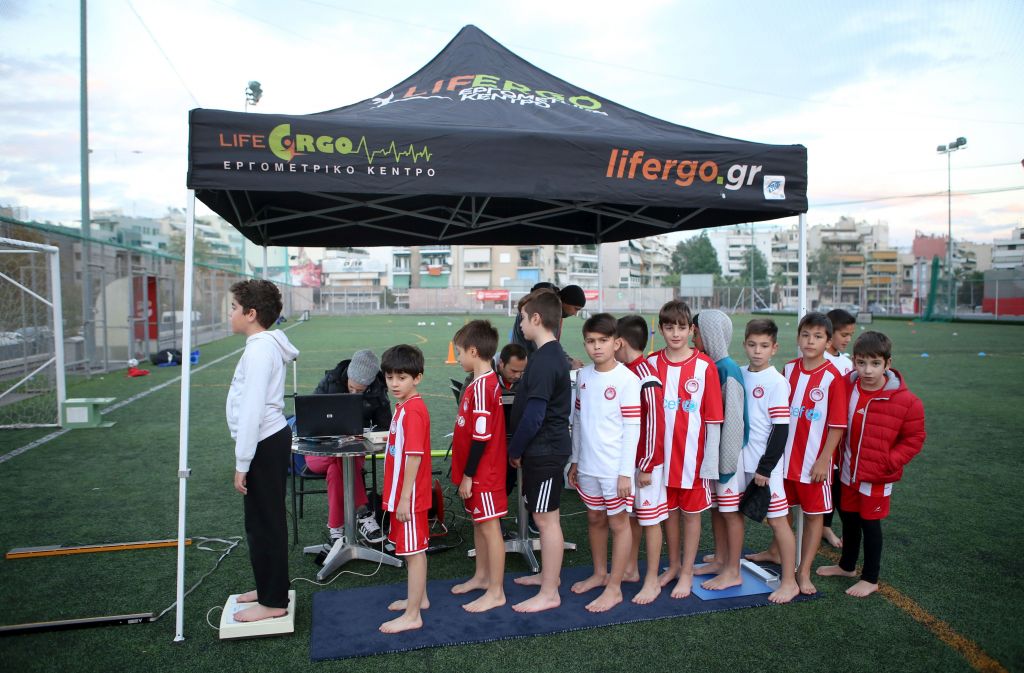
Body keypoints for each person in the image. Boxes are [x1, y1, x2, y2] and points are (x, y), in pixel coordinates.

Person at [817, 331, 925, 597]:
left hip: (877, 476)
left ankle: (870, 578)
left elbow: (914, 438)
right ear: (853, 360)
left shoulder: (906, 400)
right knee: (850, 520)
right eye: (861, 362)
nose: (867, 370)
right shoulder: (846, 387)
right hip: (847, 471)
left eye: (875, 363)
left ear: (888, 364)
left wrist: (890, 462)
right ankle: (847, 566)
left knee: (870, 525)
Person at [225, 280, 299, 622]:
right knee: (262, 521)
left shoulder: (259, 350)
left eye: (233, 308)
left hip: (264, 442)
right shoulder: (261, 346)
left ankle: (273, 601)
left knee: (265, 524)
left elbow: (252, 409)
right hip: (268, 440)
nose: (230, 313)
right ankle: (270, 587)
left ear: (251, 313)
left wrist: (242, 462)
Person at [647, 299, 723, 599]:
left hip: (693, 459)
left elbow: (713, 419)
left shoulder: (705, 366)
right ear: (661, 329)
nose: (675, 334)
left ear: (691, 330)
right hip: (661, 460)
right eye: (669, 328)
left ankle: (688, 571)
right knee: (668, 513)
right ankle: (674, 566)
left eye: (681, 327)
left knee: (691, 515)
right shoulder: (652, 363)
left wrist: (710, 461)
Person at [567, 313, 641, 613]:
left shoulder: (628, 380)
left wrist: (625, 473)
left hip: (614, 470)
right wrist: (575, 460)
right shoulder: (583, 376)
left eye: (603, 340)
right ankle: (599, 574)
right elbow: (578, 421)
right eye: (590, 341)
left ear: (617, 343)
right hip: (587, 466)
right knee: (595, 518)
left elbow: (632, 428)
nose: (596, 346)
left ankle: (614, 588)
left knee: (618, 523)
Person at [507, 289, 573, 613]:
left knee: (546, 521)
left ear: (536, 318)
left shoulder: (547, 360)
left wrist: (515, 448)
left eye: (522, 318)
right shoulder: (544, 355)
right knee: (545, 517)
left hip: (545, 451)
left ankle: (550, 592)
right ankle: (548, 577)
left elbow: (535, 415)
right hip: (543, 449)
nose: (519, 324)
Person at [780, 312, 847, 595]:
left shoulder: (833, 377)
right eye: (805, 335)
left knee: (813, 515)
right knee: (780, 513)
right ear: (798, 338)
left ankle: (804, 571)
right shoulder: (788, 370)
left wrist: (823, 460)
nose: (810, 341)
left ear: (828, 342)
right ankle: (781, 558)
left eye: (818, 337)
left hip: (813, 464)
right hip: (784, 461)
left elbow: (837, 425)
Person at [450, 320, 508, 613]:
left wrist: (469, 475)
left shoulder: (485, 386)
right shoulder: (477, 383)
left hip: (485, 474)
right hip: (477, 474)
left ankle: (496, 591)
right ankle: (482, 577)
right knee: (479, 523)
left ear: (473, 351)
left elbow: (481, 437)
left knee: (490, 527)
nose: (458, 358)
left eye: (459, 352)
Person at [739, 318, 799, 604]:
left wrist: (766, 467)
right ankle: (726, 562)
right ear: (744, 345)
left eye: (764, 346)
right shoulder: (740, 374)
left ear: (774, 348)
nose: (757, 351)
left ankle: (790, 582)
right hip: (741, 463)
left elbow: (780, 430)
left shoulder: (777, 382)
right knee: (732, 514)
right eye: (752, 345)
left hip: (766, 468)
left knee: (777, 521)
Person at [305, 349, 390, 544]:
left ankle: (336, 528)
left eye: (360, 391)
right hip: (320, 450)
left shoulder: (378, 390)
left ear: (369, 384)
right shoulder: (331, 381)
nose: (354, 393)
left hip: (353, 450)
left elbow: (385, 426)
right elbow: (309, 413)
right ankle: (363, 513)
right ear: (347, 377)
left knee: (337, 469)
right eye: (352, 387)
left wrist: (365, 432)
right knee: (343, 460)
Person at [691, 310, 747, 592]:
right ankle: (721, 560)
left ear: (709, 334)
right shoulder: (711, 364)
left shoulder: (727, 368)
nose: (693, 338)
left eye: (696, 333)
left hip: (729, 457)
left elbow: (735, 422)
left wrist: (725, 464)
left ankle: (733, 571)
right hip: (715, 458)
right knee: (717, 510)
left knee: (730, 513)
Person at [378, 344, 432, 634]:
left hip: (409, 498)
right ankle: (418, 599)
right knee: (412, 551)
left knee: (414, 553)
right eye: (390, 377)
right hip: (403, 495)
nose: (394, 383)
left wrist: (404, 498)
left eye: (402, 377)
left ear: (417, 378)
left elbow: (414, 457)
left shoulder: (413, 411)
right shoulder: (404, 408)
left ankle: (413, 615)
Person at [614, 315, 666, 605]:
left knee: (650, 520)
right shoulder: (627, 372)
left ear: (619, 342)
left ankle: (652, 580)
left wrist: (647, 465)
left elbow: (655, 425)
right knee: (633, 518)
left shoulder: (645, 376)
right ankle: (631, 569)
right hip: (630, 462)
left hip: (646, 465)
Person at [821, 308, 856, 549]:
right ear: (830, 333)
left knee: (840, 482)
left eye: (850, 335)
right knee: (829, 482)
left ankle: (826, 526)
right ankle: (824, 526)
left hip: (846, 433)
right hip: (824, 432)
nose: (847, 339)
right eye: (844, 334)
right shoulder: (820, 358)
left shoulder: (847, 362)